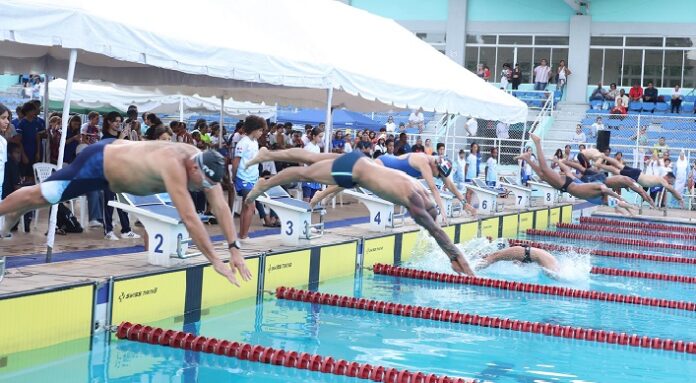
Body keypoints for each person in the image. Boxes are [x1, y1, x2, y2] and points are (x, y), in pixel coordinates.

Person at [0, 136, 251, 284]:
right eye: (201, 184)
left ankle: (15, 213)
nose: (202, 189)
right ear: (194, 169)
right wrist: (216, 260)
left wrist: (234, 248)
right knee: (44, 195)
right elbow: (189, 218)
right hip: (100, 163)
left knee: (43, 200)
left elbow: (220, 206)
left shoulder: (205, 163)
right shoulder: (173, 164)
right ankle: (6, 211)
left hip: (119, 167)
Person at [242, 149, 475, 276]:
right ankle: (265, 184)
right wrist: (455, 256)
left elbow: (432, 216)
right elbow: (434, 229)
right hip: (354, 171)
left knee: (310, 157)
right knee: (304, 173)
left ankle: (267, 154)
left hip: (362, 161)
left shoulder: (417, 188)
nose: (420, 219)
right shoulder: (415, 198)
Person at [516, 134, 622, 203]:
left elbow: (613, 200)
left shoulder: (598, 198)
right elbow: (606, 189)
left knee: (542, 175)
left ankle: (527, 159)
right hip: (565, 184)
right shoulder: (599, 187)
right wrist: (619, 197)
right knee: (544, 169)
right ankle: (538, 143)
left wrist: (625, 204)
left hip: (565, 186)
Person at [586, 149, 685, 208]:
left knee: (618, 166)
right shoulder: (663, 180)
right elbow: (672, 190)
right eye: (671, 181)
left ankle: (603, 157)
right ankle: (600, 163)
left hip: (638, 173)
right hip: (637, 176)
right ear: (668, 178)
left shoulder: (660, 178)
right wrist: (680, 199)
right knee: (616, 170)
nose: (671, 183)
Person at [232, 115, 273, 239]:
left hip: (252, 178)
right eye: (260, 130)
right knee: (251, 206)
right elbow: (236, 161)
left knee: (246, 207)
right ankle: (244, 235)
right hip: (243, 178)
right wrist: (233, 177)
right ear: (254, 129)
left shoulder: (254, 142)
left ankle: (242, 235)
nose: (262, 133)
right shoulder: (243, 142)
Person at [475, 243, 560, 278]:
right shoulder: (552, 264)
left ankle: (474, 267)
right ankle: (473, 268)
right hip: (525, 252)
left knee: (492, 258)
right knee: (492, 258)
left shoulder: (551, 264)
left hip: (526, 252)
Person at [302, 127, 324, 202]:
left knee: (313, 198)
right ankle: (305, 212)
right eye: (319, 136)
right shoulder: (308, 147)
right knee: (307, 197)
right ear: (314, 136)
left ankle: (310, 212)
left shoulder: (317, 147)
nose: (321, 139)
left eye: (322, 137)